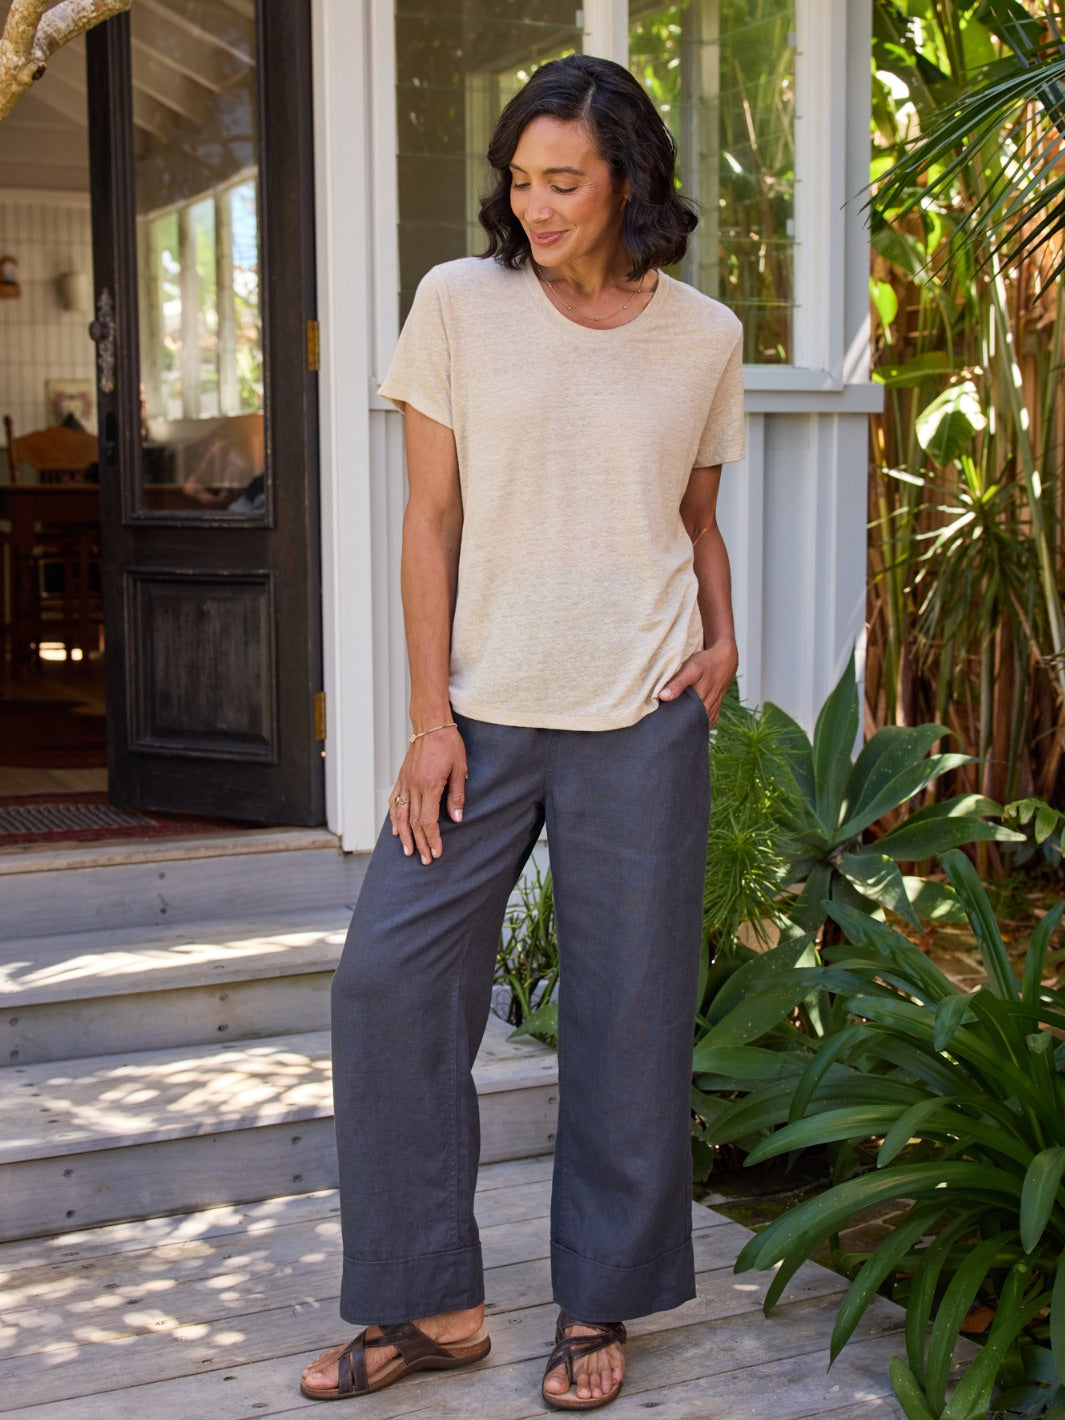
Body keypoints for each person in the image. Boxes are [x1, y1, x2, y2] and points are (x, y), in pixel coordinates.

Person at [300, 52, 744, 1410]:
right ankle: (430, 1303)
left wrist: (725, 638)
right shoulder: (459, 302)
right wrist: (426, 718)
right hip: (481, 722)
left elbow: (691, 520)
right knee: (388, 984)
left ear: (629, 181)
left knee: (627, 1014)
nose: (535, 207)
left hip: (641, 714)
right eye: (520, 181)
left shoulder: (703, 336)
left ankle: (598, 1300)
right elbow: (429, 521)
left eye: (564, 182)